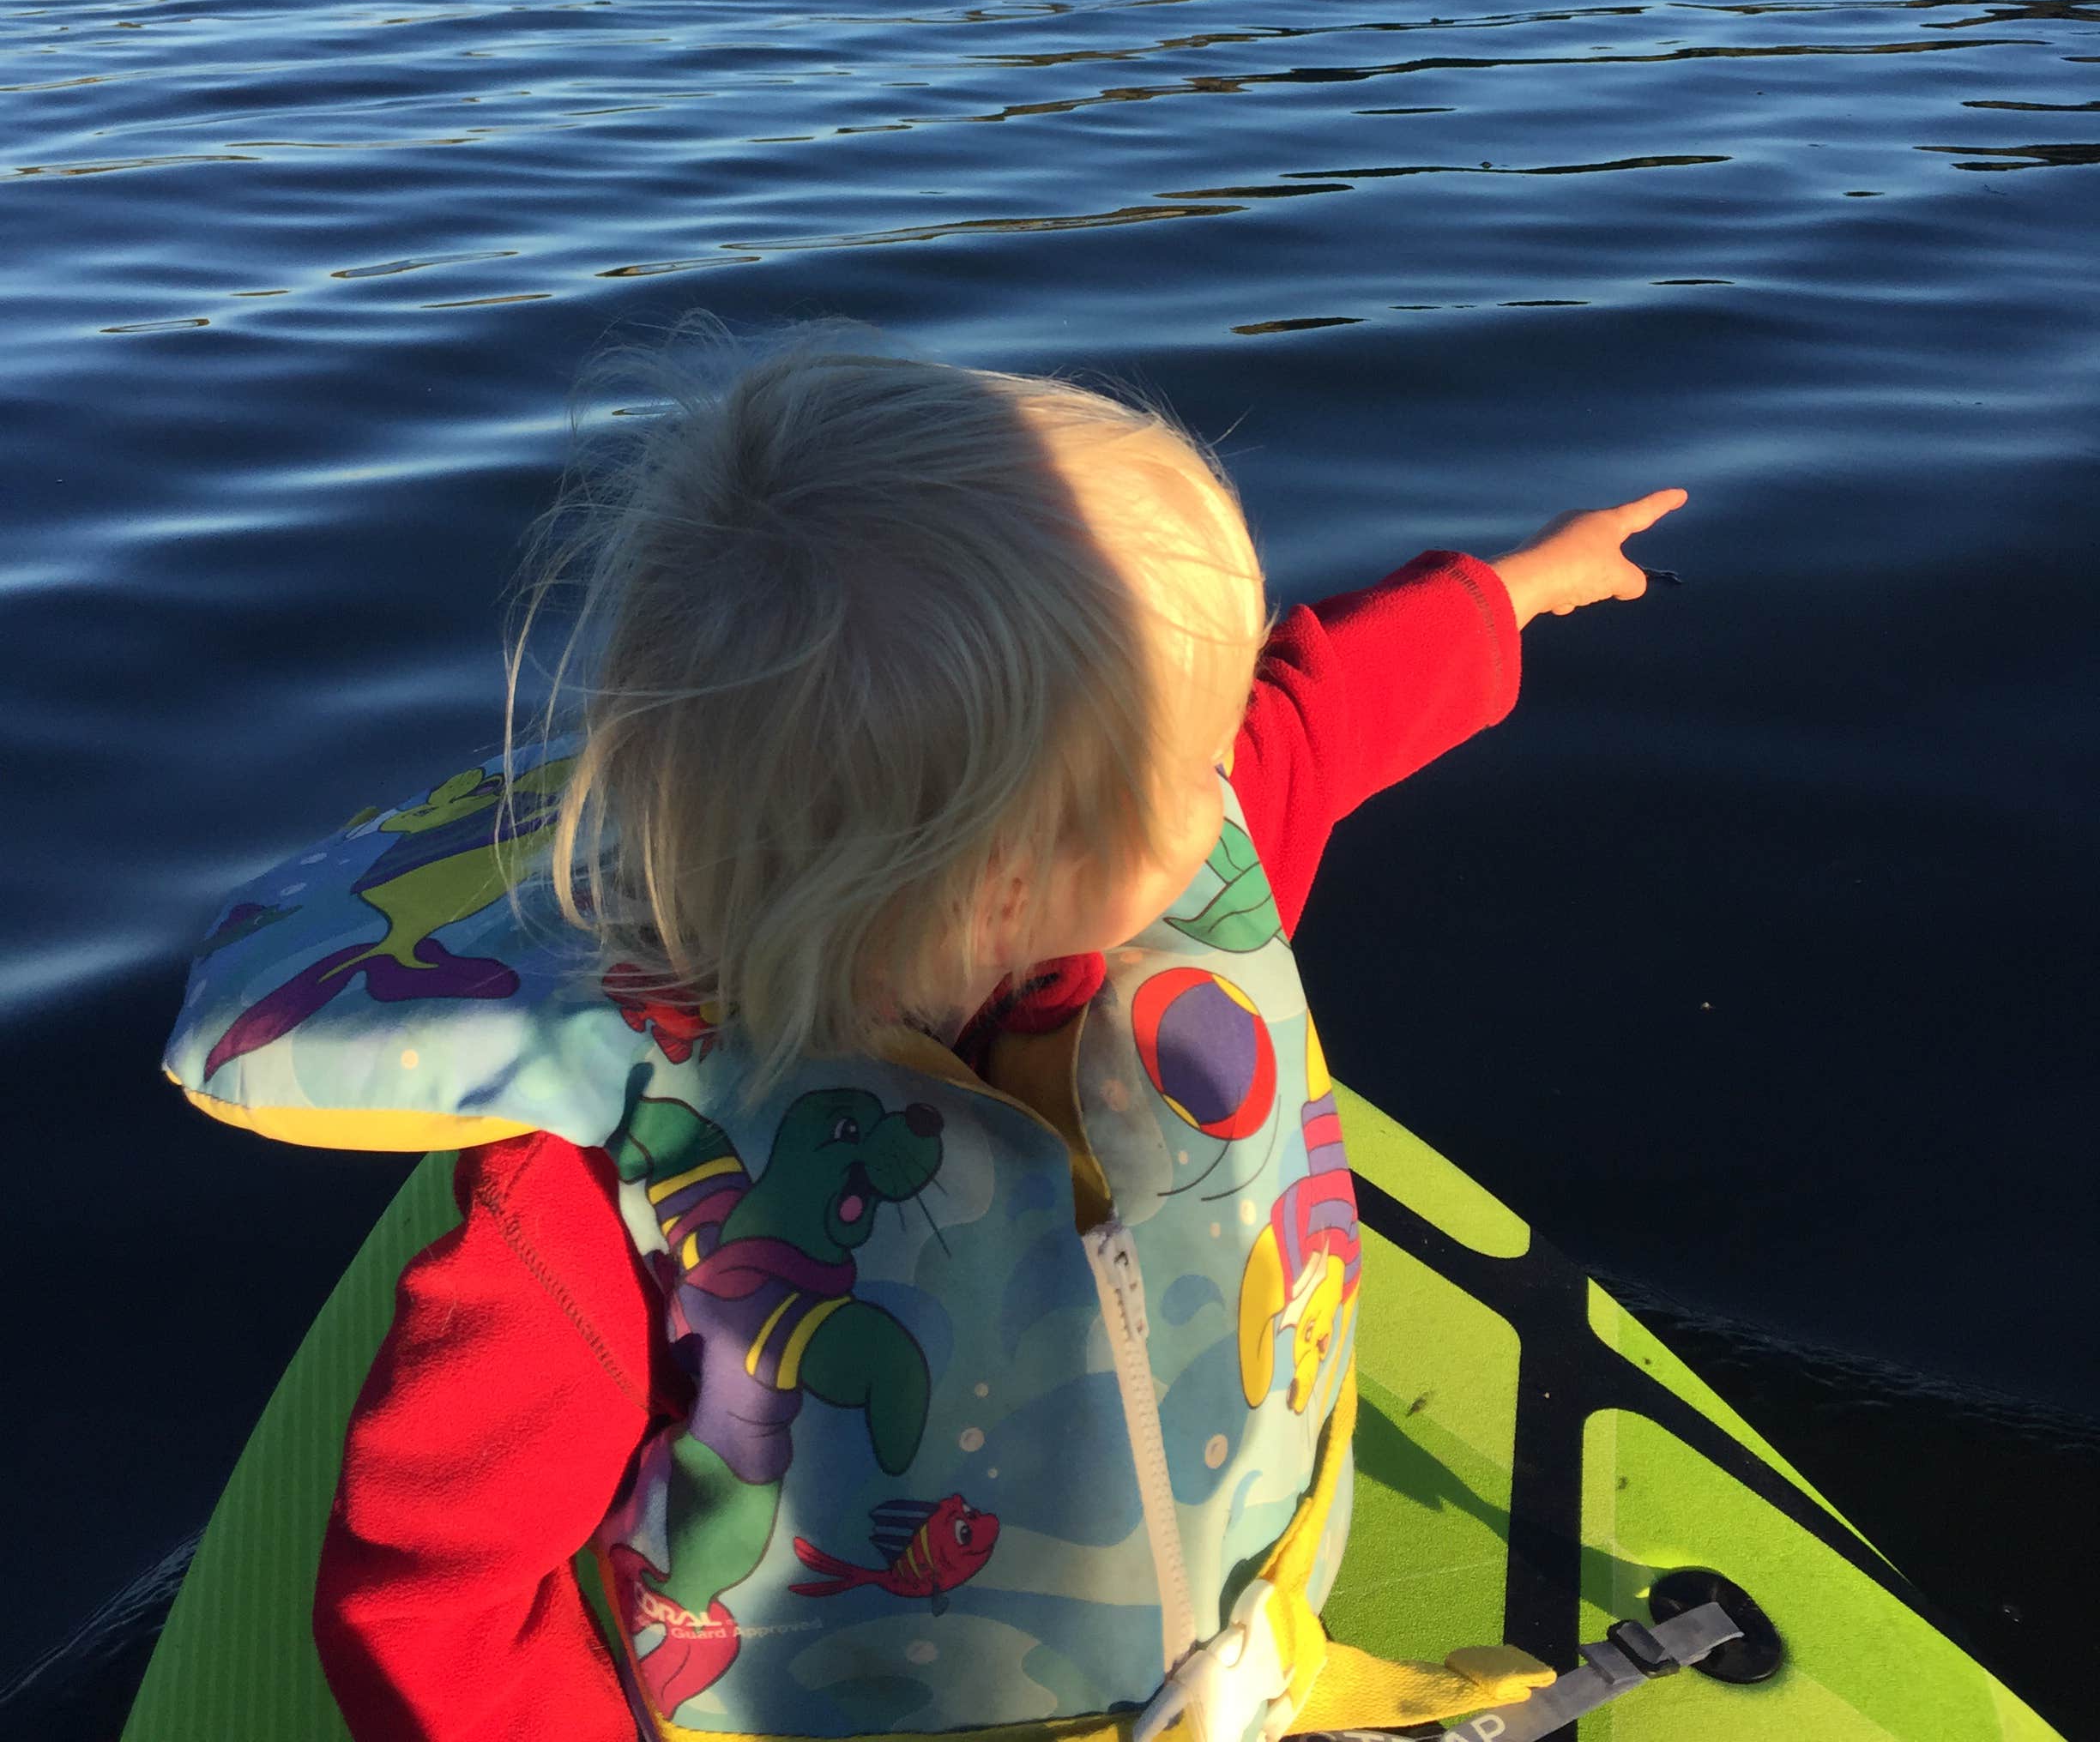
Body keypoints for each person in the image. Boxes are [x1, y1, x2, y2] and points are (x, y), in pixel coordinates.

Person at [166, 336, 1683, 1742]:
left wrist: (1511, 591)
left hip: (1229, 1656)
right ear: (1006, 869)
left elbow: (1315, 714)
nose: (1225, 786)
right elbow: (430, 1593)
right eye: (1183, 760)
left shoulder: (1148, 892)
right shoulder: (594, 1194)